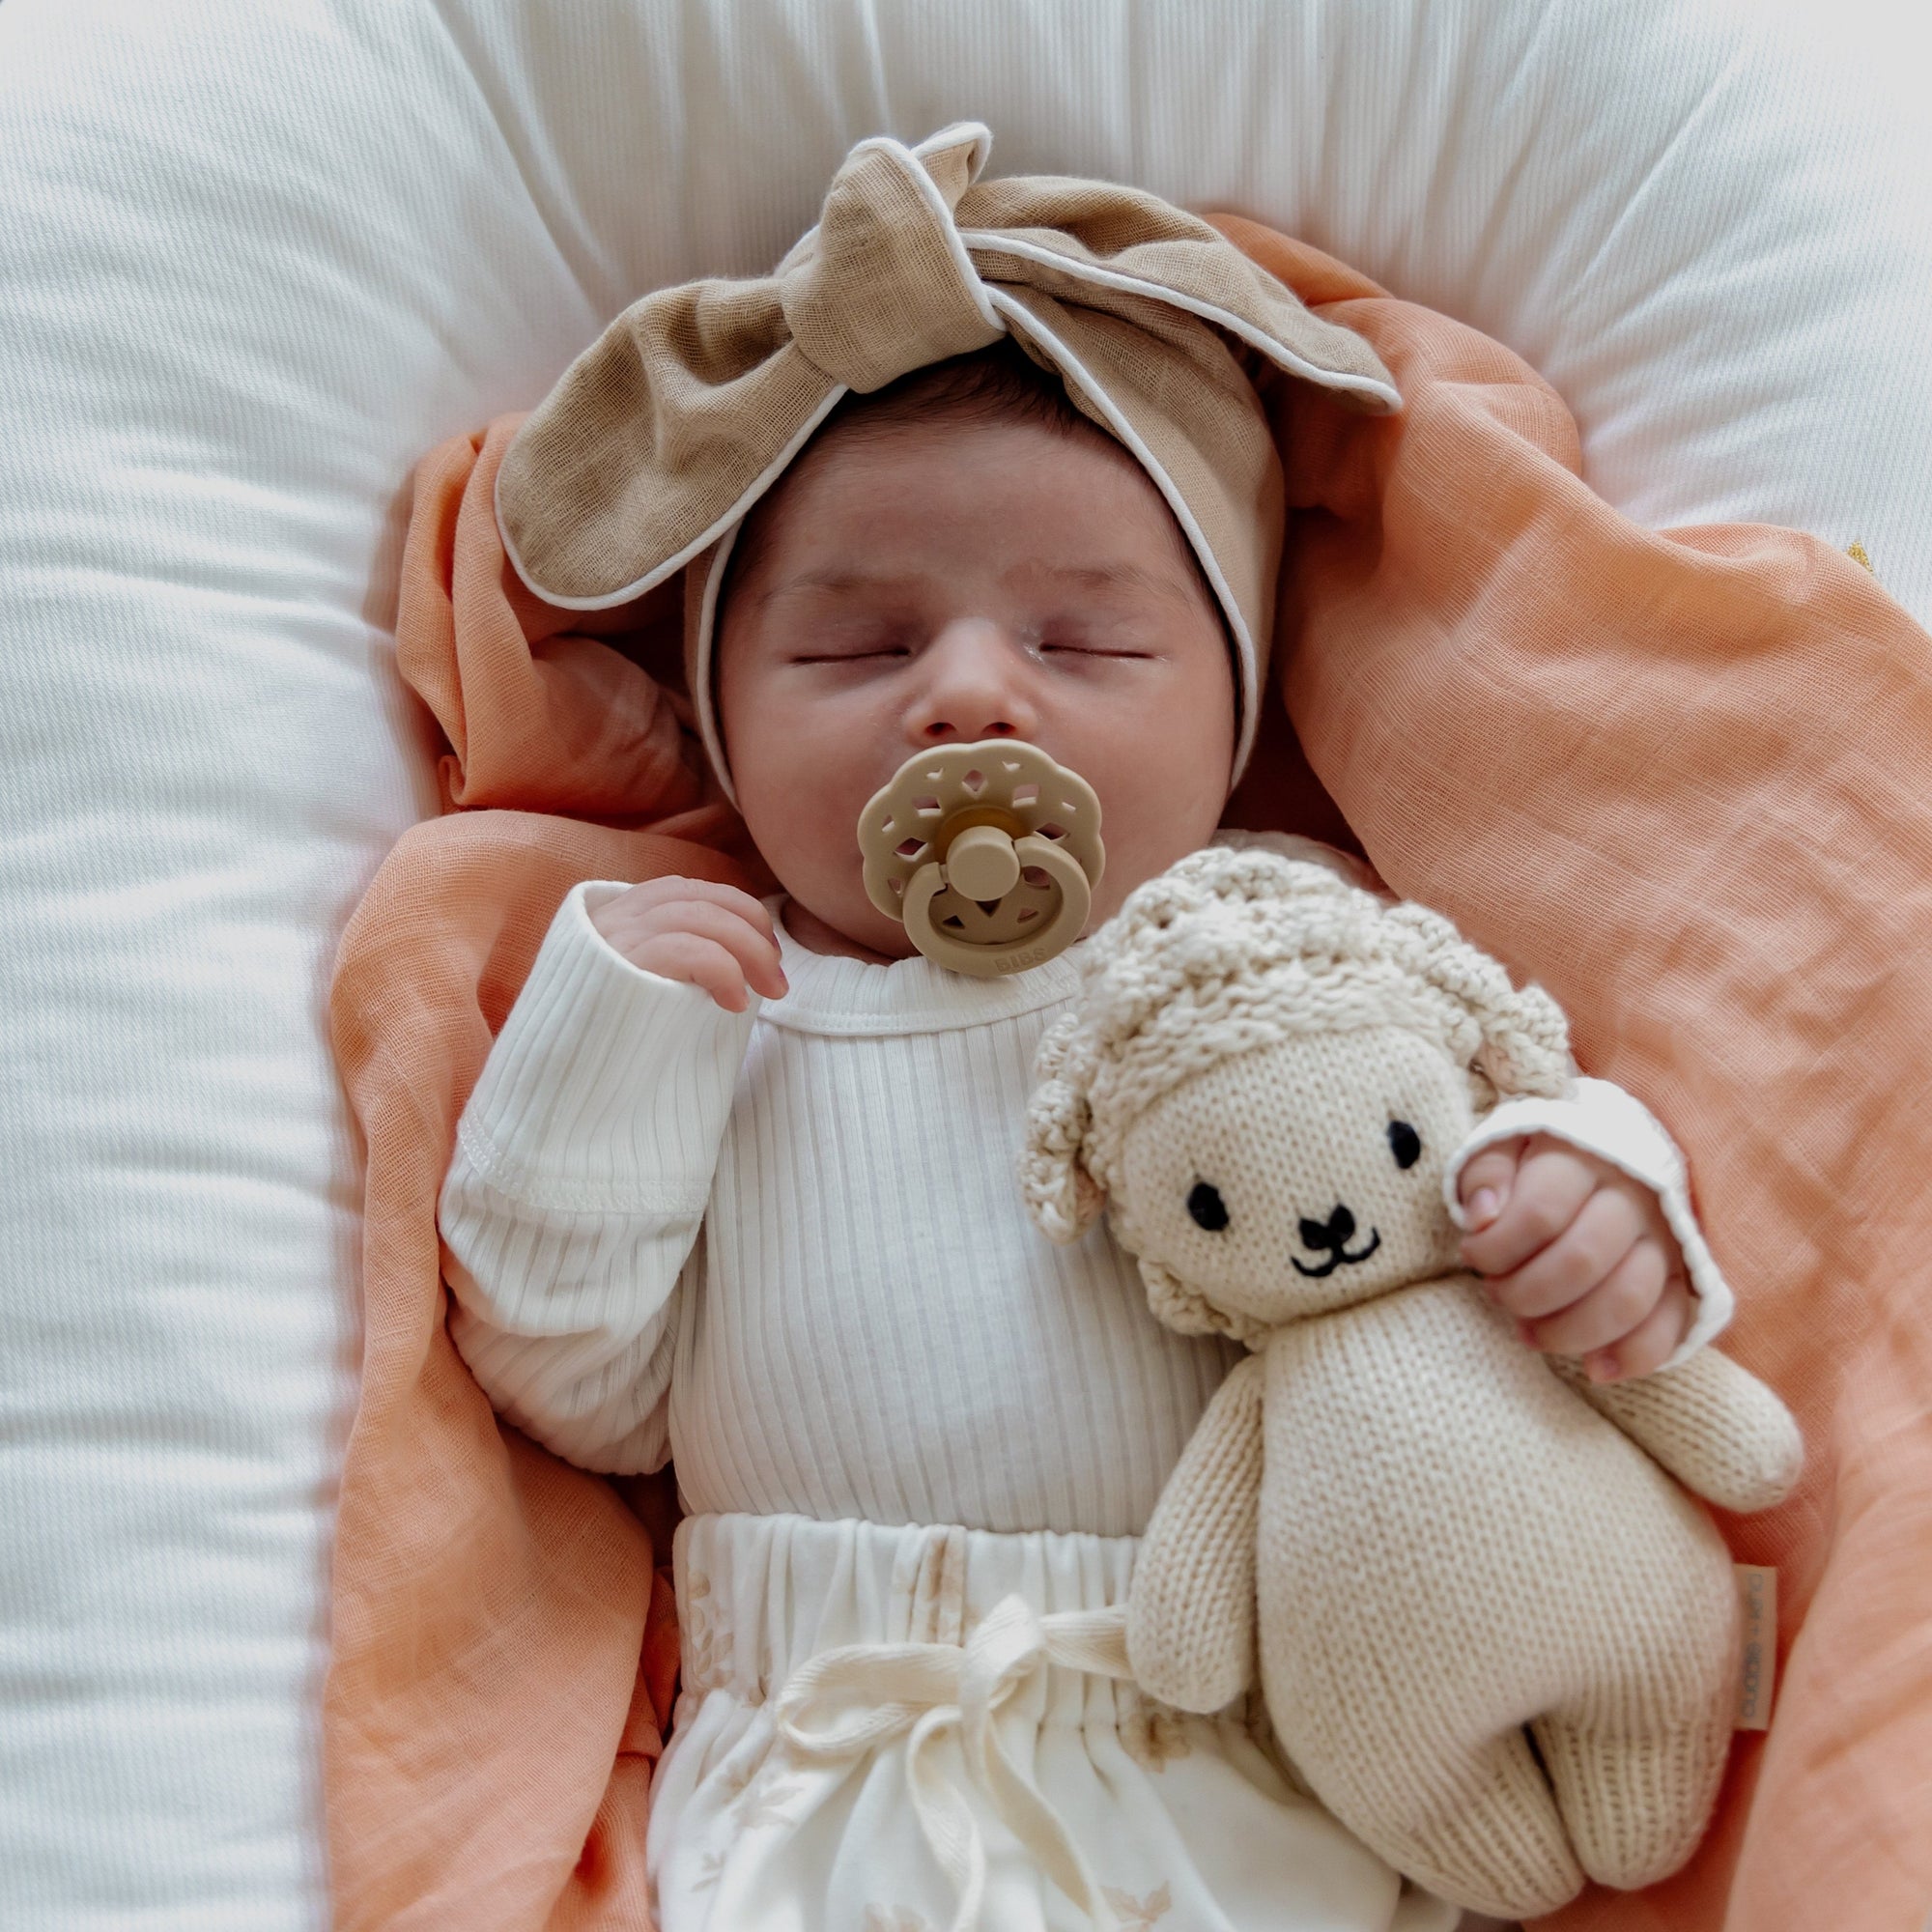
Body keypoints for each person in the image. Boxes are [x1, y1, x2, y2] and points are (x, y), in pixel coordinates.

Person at [439, 128, 1733, 1932]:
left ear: (1232, 719)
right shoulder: (736, 1010)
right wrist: (610, 1038)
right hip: (838, 1765)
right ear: (727, 725)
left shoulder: (1289, 933)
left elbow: (1510, 1093)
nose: (967, 691)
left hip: (1275, 1741)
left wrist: (1596, 1199)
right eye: (855, 648)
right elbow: (577, 1391)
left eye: (1086, 641)